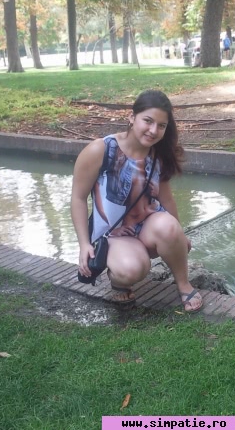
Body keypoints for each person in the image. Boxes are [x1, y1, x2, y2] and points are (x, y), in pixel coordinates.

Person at [71, 90, 202, 312]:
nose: (153, 131)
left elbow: (166, 199)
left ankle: (183, 284)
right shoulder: (101, 150)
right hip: (114, 234)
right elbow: (78, 198)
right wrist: (84, 244)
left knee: (170, 228)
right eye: (148, 121)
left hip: (148, 226)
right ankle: (118, 280)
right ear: (132, 117)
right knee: (132, 269)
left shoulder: (158, 155)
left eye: (161, 125)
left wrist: (179, 235)